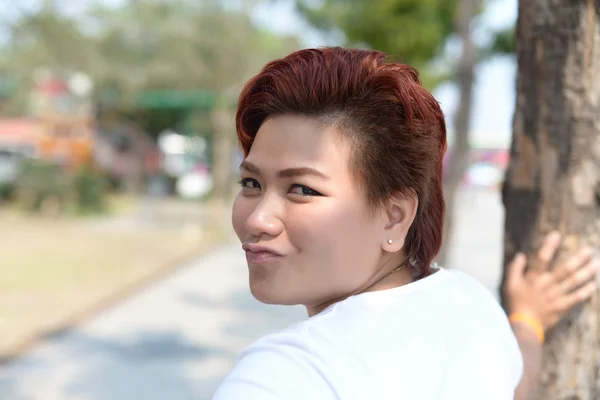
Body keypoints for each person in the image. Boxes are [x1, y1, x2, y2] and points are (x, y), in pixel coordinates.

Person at [212, 47, 597, 400]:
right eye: (251, 183)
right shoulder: (467, 302)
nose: (259, 218)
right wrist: (529, 318)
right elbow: (517, 383)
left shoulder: (285, 374)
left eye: (302, 189)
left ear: (394, 217)